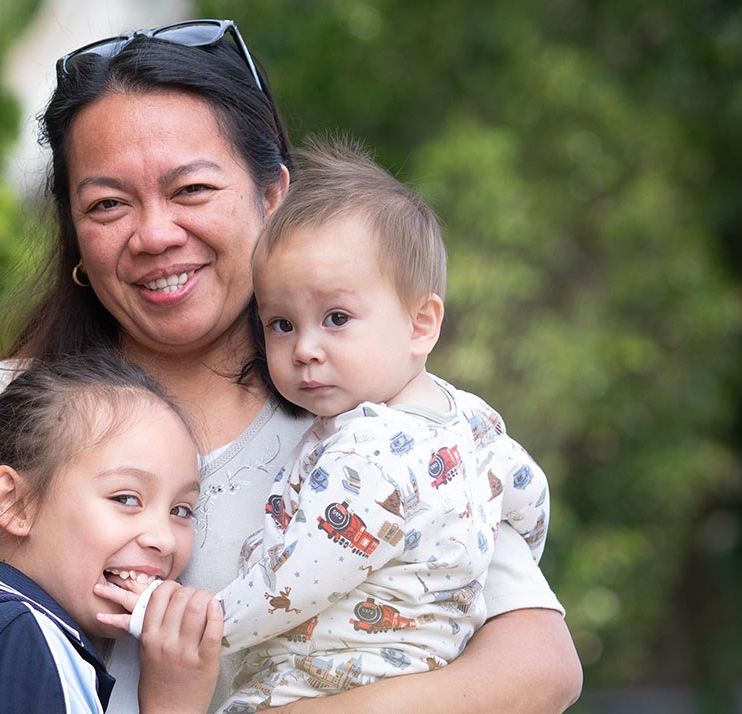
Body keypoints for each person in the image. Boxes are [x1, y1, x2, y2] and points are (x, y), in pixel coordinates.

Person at [0, 18, 582, 714]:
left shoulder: (371, 413)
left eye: (191, 189)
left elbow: (541, 668)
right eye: (107, 204)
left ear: (273, 199)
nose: (154, 235)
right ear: (77, 240)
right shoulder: (17, 400)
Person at [177, 137, 548, 710]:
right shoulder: (471, 420)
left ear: (421, 323)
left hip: (315, 682)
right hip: (427, 670)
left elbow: (293, 585)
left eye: (336, 318)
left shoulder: (366, 451)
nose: (305, 349)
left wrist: (198, 628)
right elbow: (530, 502)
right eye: (280, 324)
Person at [0, 350, 221, 713]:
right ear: (15, 503)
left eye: (181, 510)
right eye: (126, 498)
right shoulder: (22, 639)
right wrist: (173, 703)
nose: (164, 539)